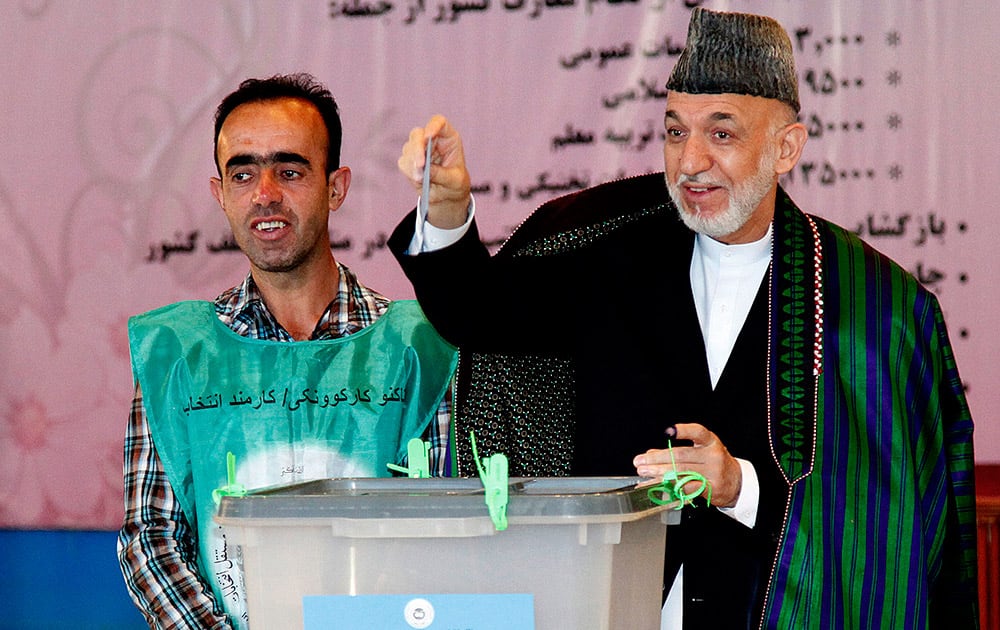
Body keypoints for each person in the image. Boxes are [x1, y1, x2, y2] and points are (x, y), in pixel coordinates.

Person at [388, 8, 978, 628]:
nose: (690, 161)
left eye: (721, 134)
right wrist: (447, 212)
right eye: (675, 132)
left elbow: (892, 518)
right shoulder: (605, 250)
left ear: (786, 148)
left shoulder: (871, 306)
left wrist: (741, 487)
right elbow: (479, 315)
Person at [118, 73, 457, 629]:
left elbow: (449, 529)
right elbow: (150, 540)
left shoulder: (421, 343)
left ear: (336, 187)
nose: (265, 193)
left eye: (290, 170)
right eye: (243, 172)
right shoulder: (173, 355)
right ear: (219, 194)